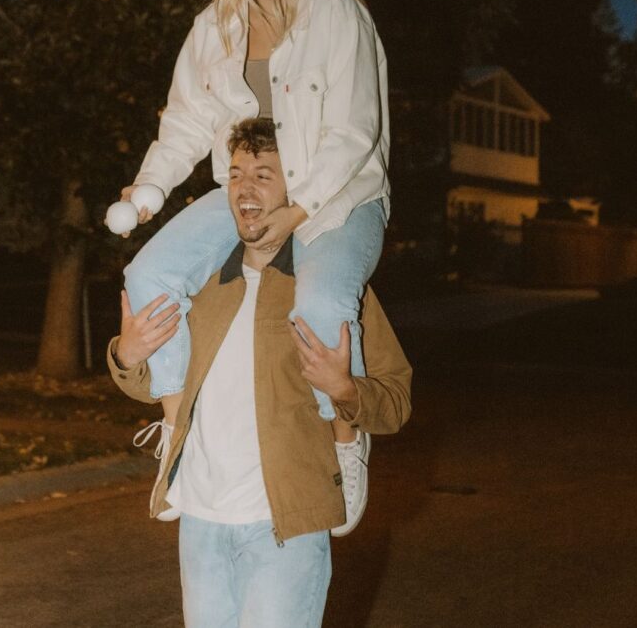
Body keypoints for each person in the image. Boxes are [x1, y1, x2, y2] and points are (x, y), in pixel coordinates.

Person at [118, 0, 390, 517]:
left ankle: (342, 442)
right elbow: (185, 123)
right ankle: (177, 429)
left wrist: (294, 216)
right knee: (149, 274)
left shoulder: (338, 13)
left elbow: (355, 131)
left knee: (320, 303)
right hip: (246, 189)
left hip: (339, 194)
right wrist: (149, 187)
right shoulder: (213, 27)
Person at [109, 118, 411, 627]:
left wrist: (343, 389)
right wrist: (127, 354)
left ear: (297, 190)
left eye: (265, 174)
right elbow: (150, 379)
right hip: (201, 519)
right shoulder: (200, 281)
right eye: (236, 174)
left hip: (285, 525)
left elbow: (395, 401)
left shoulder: (331, 289)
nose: (245, 188)